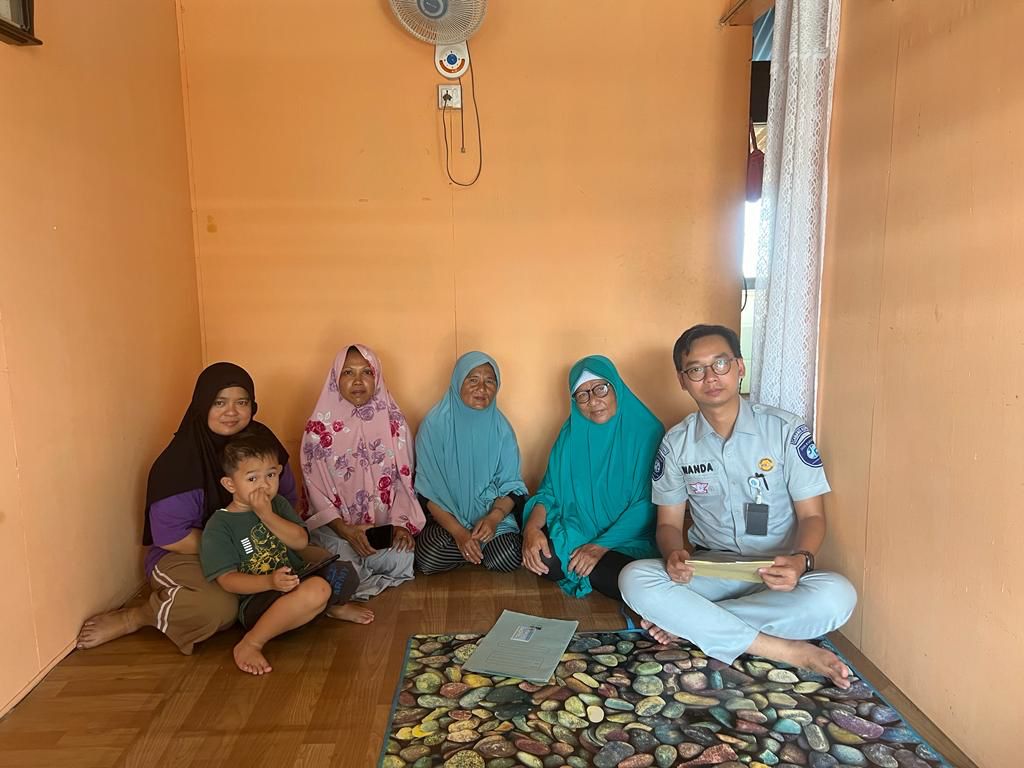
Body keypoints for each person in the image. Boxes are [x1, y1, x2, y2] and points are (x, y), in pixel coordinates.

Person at [618, 324, 858, 687]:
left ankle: (689, 625)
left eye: (721, 364)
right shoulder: (676, 444)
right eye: (696, 370)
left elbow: (812, 516)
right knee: (634, 578)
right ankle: (786, 649)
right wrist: (673, 554)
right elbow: (667, 524)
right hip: (710, 569)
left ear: (740, 366)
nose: (710, 377)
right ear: (682, 380)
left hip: (777, 572)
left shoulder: (785, 431)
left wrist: (800, 560)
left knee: (837, 596)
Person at [76, 363, 299, 653]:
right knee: (217, 608)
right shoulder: (180, 462)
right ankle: (139, 616)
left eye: (242, 402)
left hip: (259, 540)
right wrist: (239, 549)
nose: (231, 412)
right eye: (219, 402)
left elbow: (287, 498)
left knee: (315, 557)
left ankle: (301, 602)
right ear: (202, 404)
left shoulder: (263, 443)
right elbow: (171, 537)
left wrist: (265, 542)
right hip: (187, 553)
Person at [200, 431, 359, 675]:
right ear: (230, 484)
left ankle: (326, 607)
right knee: (318, 589)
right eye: (252, 478)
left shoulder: (278, 505)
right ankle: (252, 642)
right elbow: (227, 580)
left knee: (344, 573)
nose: (264, 485)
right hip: (259, 600)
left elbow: (300, 542)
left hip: (296, 580)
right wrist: (269, 582)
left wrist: (266, 514)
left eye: (271, 475)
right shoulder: (220, 525)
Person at [521, 355, 664, 599]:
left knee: (636, 580)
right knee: (544, 559)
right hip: (579, 529)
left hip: (628, 538)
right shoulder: (570, 436)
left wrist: (599, 547)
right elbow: (549, 491)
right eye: (582, 394)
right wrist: (531, 529)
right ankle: (594, 569)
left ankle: (596, 567)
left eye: (600, 388)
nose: (593, 401)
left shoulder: (647, 432)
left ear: (616, 387)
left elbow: (650, 503)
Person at [300, 344, 426, 601]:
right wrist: (345, 530)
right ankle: (354, 575)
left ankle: (354, 580)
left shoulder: (394, 422)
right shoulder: (318, 430)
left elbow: (403, 481)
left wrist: (399, 526)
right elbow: (314, 490)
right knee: (339, 556)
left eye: (366, 372)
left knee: (404, 557)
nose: (358, 381)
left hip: (381, 528)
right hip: (337, 530)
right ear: (336, 378)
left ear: (376, 376)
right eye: (348, 372)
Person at [414, 351, 527, 574]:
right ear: (458, 382)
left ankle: (474, 551)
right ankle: (475, 551)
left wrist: (493, 519)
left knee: (509, 555)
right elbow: (428, 492)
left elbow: (512, 487)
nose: (481, 388)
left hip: (491, 521)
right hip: (448, 522)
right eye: (473, 379)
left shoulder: (502, 429)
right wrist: (460, 534)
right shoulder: (434, 425)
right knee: (428, 557)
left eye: (489, 381)